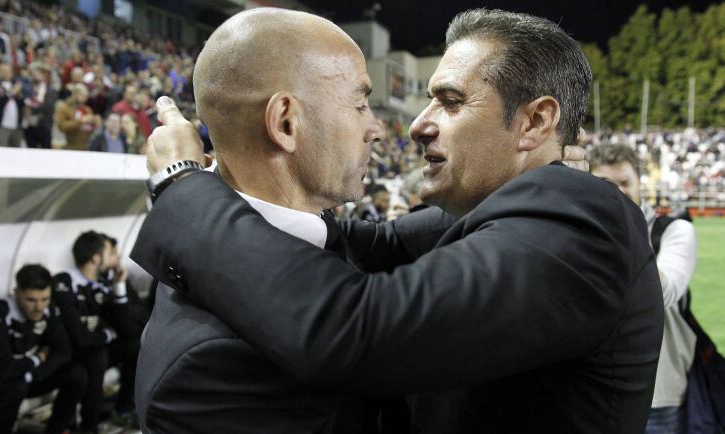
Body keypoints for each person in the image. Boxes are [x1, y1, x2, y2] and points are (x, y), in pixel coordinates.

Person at [135, 8, 663, 434]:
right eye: (361, 104)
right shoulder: (512, 211)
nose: (412, 127)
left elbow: (355, 325)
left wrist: (183, 186)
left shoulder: (578, 216)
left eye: (450, 102)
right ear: (286, 122)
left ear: (535, 122)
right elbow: (361, 244)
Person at [589, 144, 697, 434]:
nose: (618, 192)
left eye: (625, 183)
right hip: (592, 392)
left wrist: (619, 231)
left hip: (659, 394)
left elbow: (666, 293)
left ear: (640, 183)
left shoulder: (673, 230)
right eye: (606, 185)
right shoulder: (583, 229)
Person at [0, 264, 85, 434]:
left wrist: (33, 373)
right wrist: (38, 358)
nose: (39, 307)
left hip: (25, 375)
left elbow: (63, 351)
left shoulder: (47, 310)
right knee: (15, 386)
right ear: (16, 293)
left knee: (76, 373)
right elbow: (4, 367)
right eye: (30, 300)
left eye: (44, 299)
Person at [53, 231, 129, 433]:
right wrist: (105, 334)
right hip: (72, 354)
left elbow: (123, 326)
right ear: (96, 258)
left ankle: (126, 409)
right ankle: (88, 427)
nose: (116, 257)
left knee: (135, 346)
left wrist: (119, 288)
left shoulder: (103, 284)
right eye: (109, 252)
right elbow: (77, 335)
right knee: (95, 359)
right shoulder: (64, 282)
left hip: (94, 349)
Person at [0, 63, 26, 147]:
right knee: (1, 152)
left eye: (8, 71)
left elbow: (22, 103)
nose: (6, 73)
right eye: (3, 71)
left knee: (16, 153)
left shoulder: (16, 84)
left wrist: (19, 94)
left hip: (16, 126)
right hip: (1, 125)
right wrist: (11, 92)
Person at [55, 83, 100, 150]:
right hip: (71, 146)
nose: (85, 99)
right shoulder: (64, 107)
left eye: (86, 96)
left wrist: (95, 121)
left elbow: (93, 128)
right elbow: (61, 126)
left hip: (86, 146)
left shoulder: (87, 109)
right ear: (75, 94)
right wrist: (81, 121)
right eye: (83, 96)